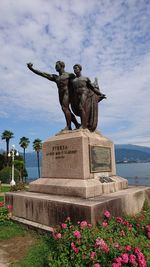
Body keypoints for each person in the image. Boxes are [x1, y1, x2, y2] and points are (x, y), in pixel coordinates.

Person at [27, 61, 80, 130]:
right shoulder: (56, 77)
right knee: (66, 109)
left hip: (67, 94)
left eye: (57, 65)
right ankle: (76, 124)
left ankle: (69, 126)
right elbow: (43, 74)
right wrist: (32, 69)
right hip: (60, 94)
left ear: (62, 66)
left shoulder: (69, 75)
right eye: (55, 66)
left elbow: (77, 81)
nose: (55, 67)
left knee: (64, 108)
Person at [71, 64, 106, 131]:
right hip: (76, 95)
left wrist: (100, 94)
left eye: (76, 68)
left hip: (84, 93)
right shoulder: (74, 80)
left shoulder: (85, 78)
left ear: (80, 69)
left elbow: (92, 88)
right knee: (79, 109)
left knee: (81, 107)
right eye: (74, 69)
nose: (75, 70)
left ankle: (83, 126)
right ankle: (83, 124)